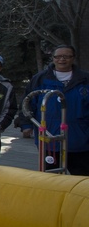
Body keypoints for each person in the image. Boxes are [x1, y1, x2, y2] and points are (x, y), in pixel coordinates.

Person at [16, 44, 89, 175]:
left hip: (79, 141)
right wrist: (26, 125)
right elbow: (27, 104)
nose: (62, 59)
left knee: (81, 181)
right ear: (53, 58)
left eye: (67, 56)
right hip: (50, 141)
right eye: (58, 56)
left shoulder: (84, 79)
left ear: (73, 58)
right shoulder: (40, 79)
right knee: (52, 180)